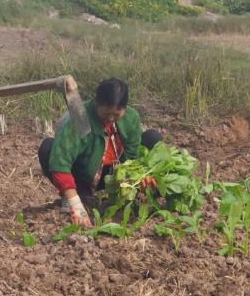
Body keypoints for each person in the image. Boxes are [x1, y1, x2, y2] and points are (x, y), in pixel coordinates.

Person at [38, 78, 162, 227]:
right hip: (84, 174)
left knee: (153, 138)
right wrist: (75, 203)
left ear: (125, 108)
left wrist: (139, 176)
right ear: (96, 103)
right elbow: (60, 162)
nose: (110, 118)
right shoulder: (80, 117)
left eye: (116, 114)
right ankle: (77, 195)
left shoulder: (131, 117)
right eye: (105, 113)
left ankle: (140, 196)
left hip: (114, 174)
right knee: (48, 148)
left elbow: (132, 157)